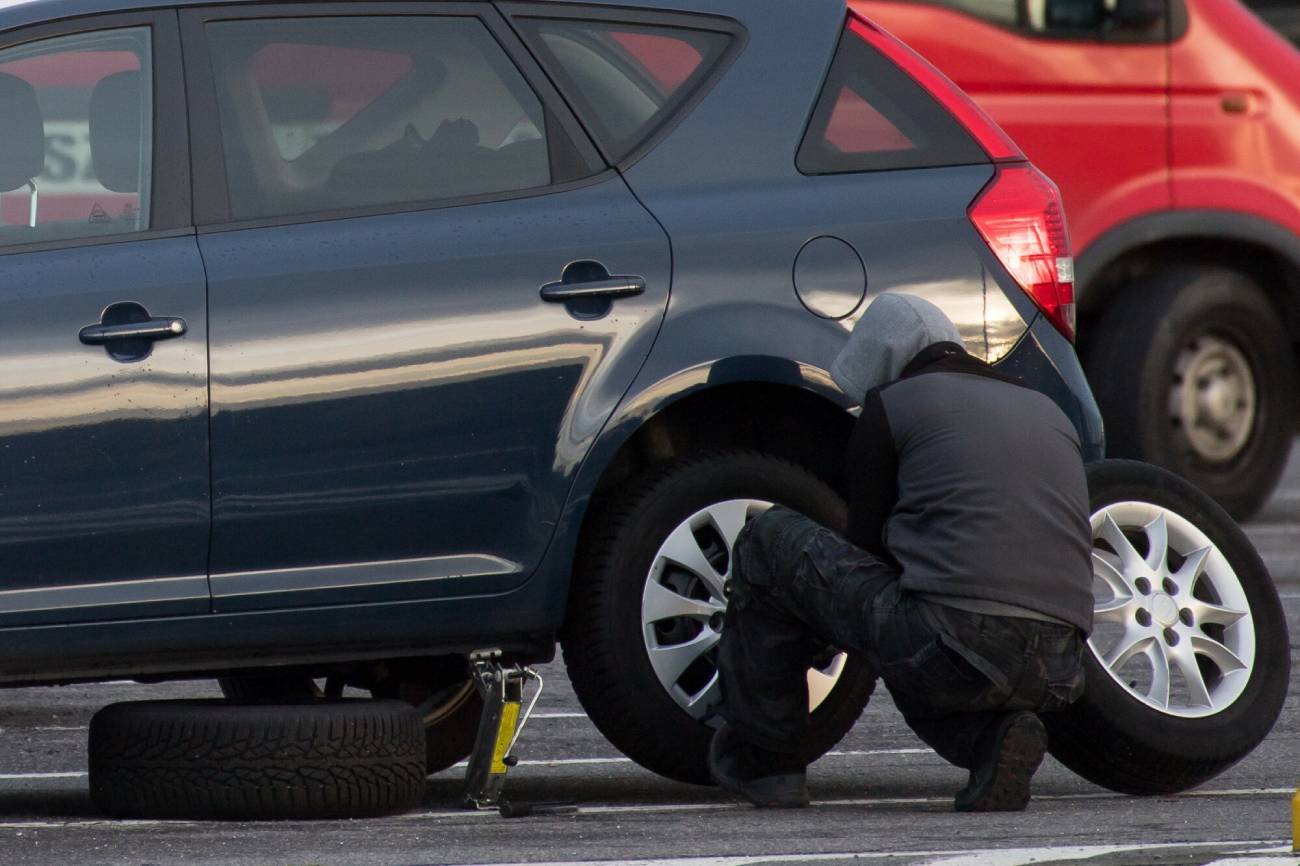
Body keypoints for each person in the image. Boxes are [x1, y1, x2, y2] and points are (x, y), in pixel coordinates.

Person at [709, 293, 1093, 812]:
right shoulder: (1043, 407)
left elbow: (865, 554)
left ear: (882, 360)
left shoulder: (894, 405)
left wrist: (805, 629)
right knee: (922, 657)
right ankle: (992, 741)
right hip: (1063, 664)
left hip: (955, 640)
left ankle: (767, 764)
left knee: (770, 538)